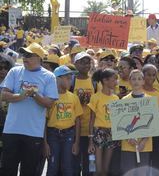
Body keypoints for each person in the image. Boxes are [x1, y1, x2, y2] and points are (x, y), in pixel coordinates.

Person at [0, 43, 58, 176]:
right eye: (24, 54)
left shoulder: (49, 76)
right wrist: (21, 96)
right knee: (7, 170)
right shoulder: (14, 71)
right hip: (11, 130)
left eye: (29, 55)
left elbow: (49, 103)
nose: (25, 58)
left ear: (39, 58)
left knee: (29, 171)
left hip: (34, 133)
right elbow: (4, 95)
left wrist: (34, 95)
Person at [45, 65, 83, 176]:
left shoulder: (73, 97)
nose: (70, 81)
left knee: (67, 167)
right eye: (67, 78)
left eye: (71, 78)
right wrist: (45, 143)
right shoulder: (49, 97)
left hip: (69, 134)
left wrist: (76, 142)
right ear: (57, 79)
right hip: (52, 134)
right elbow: (44, 121)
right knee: (52, 166)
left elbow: (77, 121)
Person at [88, 68, 120, 176]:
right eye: (114, 79)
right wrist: (90, 141)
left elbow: (117, 119)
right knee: (97, 169)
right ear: (105, 81)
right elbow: (91, 120)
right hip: (98, 132)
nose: (116, 82)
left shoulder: (116, 98)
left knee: (106, 169)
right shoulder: (95, 97)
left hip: (111, 133)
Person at [120, 69, 152, 175]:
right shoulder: (124, 100)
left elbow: (151, 123)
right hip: (127, 145)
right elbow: (121, 123)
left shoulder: (149, 100)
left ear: (143, 81)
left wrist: (143, 141)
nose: (136, 81)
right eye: (133, 79)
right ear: (129, 81)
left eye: (139, 79)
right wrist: (128, 137)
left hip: (145, 144)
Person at [72, 51, 96, 176]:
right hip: (73, 131)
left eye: (88, 62)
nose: (86, 65)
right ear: (75, 64)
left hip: (90, 131)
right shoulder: (70, 81)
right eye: (82, 62)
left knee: (90, 166)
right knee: (74, 165)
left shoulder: (95, 82)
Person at [142, 64, 159, 174]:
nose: (151, 78)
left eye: (154, 75)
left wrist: (155, 115)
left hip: (156, 136)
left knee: (158, 162)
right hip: (140, 135)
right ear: (142, 75)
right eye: (148, 75)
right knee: (143, 163)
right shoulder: (136, 93)